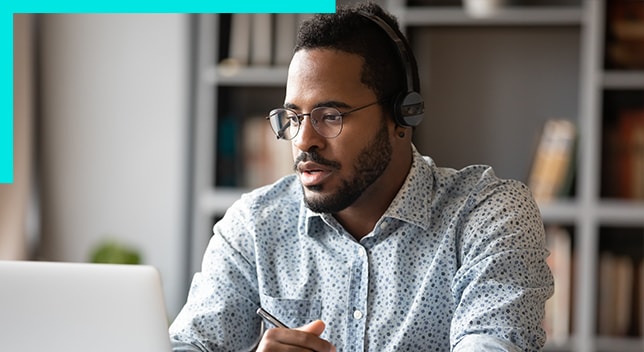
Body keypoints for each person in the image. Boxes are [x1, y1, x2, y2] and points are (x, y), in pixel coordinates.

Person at [169, 2, 554, 351]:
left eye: (331, 116)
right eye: (293, 118)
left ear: (403, 117)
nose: (304, 140)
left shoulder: (487, 215)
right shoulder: (255, 225)